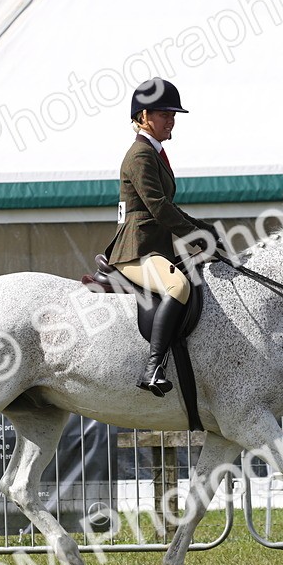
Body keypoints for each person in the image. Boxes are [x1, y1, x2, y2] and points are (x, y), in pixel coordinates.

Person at [102, 77, 223, 396]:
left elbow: (167, 205)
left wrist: (202, 227)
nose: (171, 121)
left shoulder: (153, 152)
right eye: (164, 114)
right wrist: (196, 233)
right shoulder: (140, 155)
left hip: (156, 247)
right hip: (136, 251)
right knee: (178, 285)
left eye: (173, 114)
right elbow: (157, 207)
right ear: (143, 117)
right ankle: (152, 368)